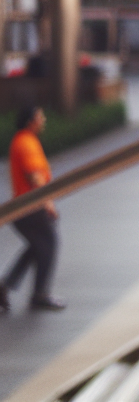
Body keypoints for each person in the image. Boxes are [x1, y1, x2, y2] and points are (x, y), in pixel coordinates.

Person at [0, 105, 65, 312]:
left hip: (25, 207)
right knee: (49, 244)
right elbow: (34, 176)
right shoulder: (26, 142)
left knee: (37, 247)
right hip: (31, 207)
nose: (43, 119)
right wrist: (48, 203)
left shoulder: (24, 140)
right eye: (40, 116)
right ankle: (40, 294)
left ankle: (5, 286)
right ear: (31, 121)